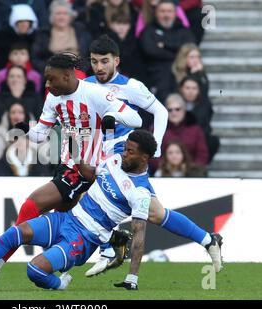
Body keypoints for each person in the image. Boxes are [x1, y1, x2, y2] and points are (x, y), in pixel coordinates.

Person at [0, 52, 145, 287]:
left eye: (51, 79)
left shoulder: (93, 93)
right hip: (66, 164)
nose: (47, 84)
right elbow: (41, 134)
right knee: (64, 225)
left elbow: (136, 119)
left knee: (31, 205)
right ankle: (111, 240)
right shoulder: (54, 98)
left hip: (85, 169)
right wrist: (25, 129)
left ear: (67, 76)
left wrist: (110, 117)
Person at [0, 130, 157, 291]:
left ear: (144, 158)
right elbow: (90, 173)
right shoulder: (116, 160)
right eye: (126, 149)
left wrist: (132, 278)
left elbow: (139, 236)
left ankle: (60, 284)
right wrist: (74, 147)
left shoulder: (141, 193)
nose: (125, 154)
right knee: (14, 233)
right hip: (66, 219)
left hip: (84, 239)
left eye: (130, 152)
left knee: (34, 271)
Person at [83, 35, 220, 276]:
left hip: (125, 158)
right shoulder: (86, 85)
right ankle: (208, 240)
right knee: (155, 212)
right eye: (94, 62)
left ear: (116, 60)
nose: (99, 67)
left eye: (104, 61)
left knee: (89, 195)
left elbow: (160, 111)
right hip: (101, 155)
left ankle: (110, 248)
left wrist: (154, 146)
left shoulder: (131, 86)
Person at [139, 0, 194, 103]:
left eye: (169, 11)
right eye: (162, 11)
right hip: (156, 79)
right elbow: (150, 51)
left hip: (182, 77)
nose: (166, 15)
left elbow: (189, 50)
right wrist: (177, 52)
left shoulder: (184, 31)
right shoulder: (148, 31)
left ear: (175, 13)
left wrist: (164, 46)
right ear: (156, 13)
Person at [31, 0, 92, 73]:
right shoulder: (43, 34)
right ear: (52, 16)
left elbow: (89, 55)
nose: (61, 17)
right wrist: (49, 70)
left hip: (78, 70)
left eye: (65, 13)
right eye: (58, 13)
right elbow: (36, 58)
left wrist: (83, 68)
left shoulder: (81, 31)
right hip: (54, 72)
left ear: (70, 16)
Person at [0, 4, 39, 72]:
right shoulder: (2, 36)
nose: (24, 24)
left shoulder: (36, 38)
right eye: (21, 21)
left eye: (27, 22)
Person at [0, 102, 35, 167]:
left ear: (26, 115)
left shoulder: (36, 132)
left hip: (33, 170)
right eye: (13, 112)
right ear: (8, 116)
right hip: (6, 170)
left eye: (20, 112)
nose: (16, 115)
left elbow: (45, 157)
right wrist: (12, 146)